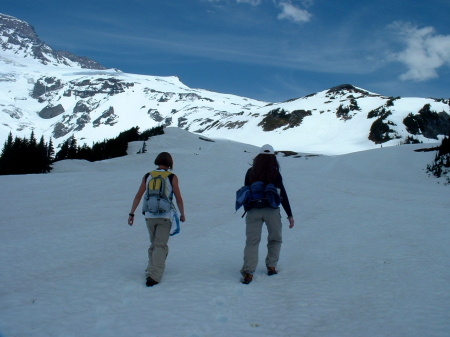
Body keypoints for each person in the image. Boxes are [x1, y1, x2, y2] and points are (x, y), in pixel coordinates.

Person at [128, 152, 186, 287]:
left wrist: (131, 213)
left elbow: (138, 196)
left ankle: (151, 268)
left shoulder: (148, 176)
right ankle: (154, 275)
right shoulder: (172, 177)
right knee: (160, 245)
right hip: (165, 216)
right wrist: (182, 214)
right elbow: (178, 198)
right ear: (170, 163)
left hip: (149, 215)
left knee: (154, 243)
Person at [240, 144, 294, 284]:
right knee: (275, 239)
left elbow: (246, 190)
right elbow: (282, 194)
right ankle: (271, 266)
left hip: (253, 210)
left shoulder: (250, 172)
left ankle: (248, 272)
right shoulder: (275, 173)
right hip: (272, 211)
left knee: (252, 241)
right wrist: (289, 215)